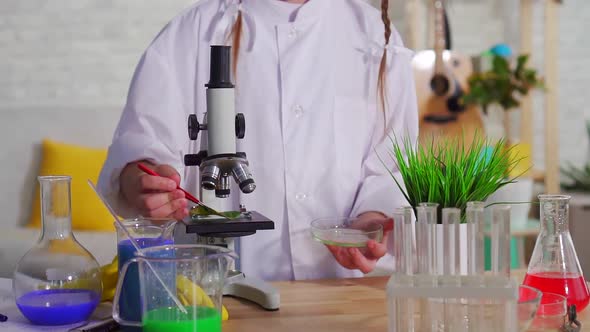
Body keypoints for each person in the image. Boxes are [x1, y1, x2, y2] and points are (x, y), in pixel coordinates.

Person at [97, 0, 418, 282]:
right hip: (212, 298)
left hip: (337, 296)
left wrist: (373, 217)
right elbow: (140, 149)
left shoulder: (376, 36)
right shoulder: (192, 31)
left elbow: (391, 166)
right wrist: (141, 182)